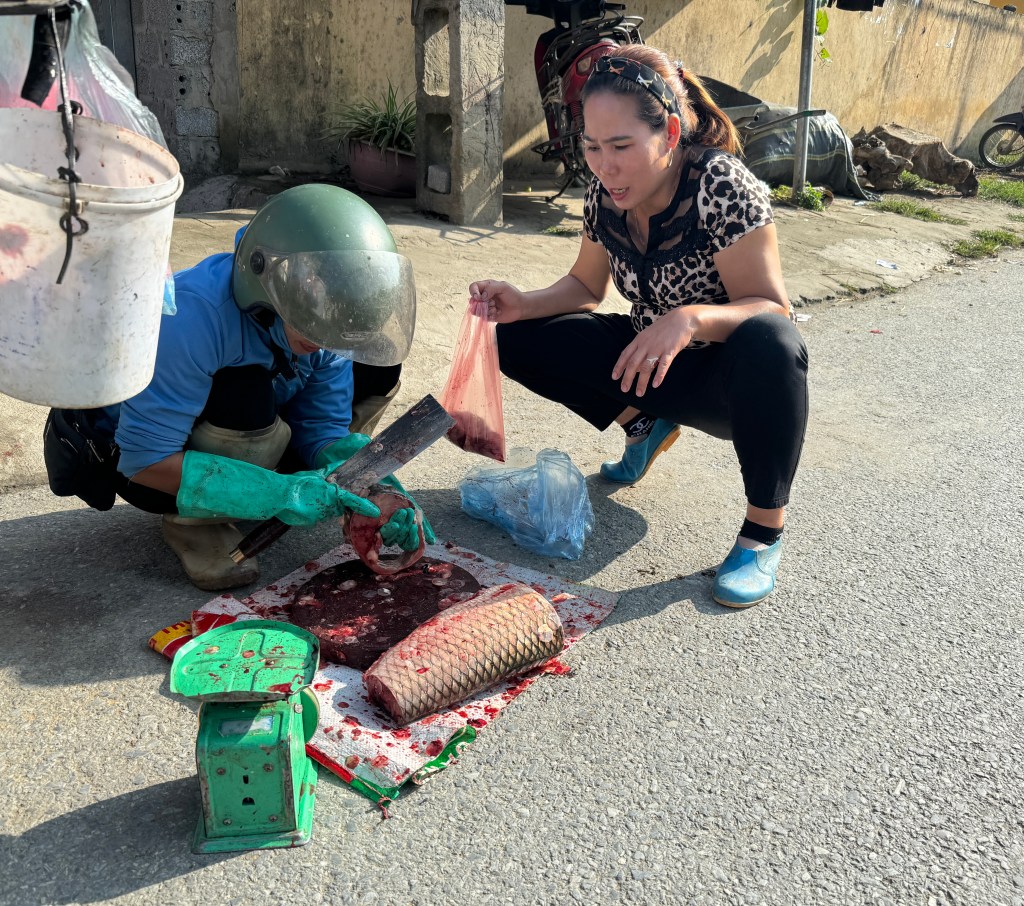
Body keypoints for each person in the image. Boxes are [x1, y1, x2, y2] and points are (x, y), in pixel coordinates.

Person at [469, 46, 809, 608]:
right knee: (516, 338)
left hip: (728, 383)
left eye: (622, 146)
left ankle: (762, 532)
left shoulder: (721, 186)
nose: (605, 166)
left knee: (773, 343)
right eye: (592, 147)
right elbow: (585, 286)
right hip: (645, 362)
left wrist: (689, 318)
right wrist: (521, 302)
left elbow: (773, 307)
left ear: (670, 132)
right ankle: (644, 425)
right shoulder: (604, 194)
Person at [76, 183, 429, 591]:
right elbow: (144, 461)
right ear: (267, 283)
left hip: (239, 427)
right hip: (133, 458)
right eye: (318, 327)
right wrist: (279, 494)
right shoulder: (189, 318)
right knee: (247, 391)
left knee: (377, 367)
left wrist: (366, 478)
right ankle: (195, 523)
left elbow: (321, 428)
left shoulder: (325, 322)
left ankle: (260, 491)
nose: (326, 343)